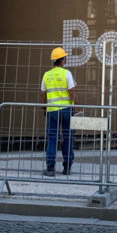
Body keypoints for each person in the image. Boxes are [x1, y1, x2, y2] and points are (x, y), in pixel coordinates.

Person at [40, 46, 76, 176]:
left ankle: (50, 169)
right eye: (65, 57)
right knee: (68, 138)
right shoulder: (67, 74)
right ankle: (67, 167)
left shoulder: (46, 75)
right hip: (67, 110)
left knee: (52, 139)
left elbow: (42, 93)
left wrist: (44, 107)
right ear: (62, 60)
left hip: (52, 111)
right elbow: (72, 91)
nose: (66, 59)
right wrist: (78, 106)